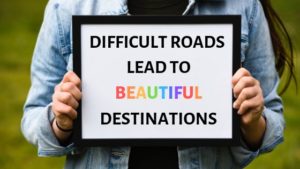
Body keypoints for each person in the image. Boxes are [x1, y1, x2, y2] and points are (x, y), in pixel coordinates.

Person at [21, 0, 295, 168]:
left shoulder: (243, 4)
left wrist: (251, 121)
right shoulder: (68, 5)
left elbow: (271, 120)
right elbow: (34, 114)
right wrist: (62, 123)